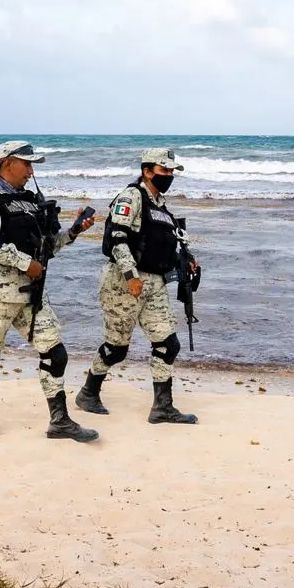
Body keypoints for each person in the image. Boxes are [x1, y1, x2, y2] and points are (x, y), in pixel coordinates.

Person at [0, 140, 99, 442]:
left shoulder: (31, 201)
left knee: (55, 352)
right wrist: (26, 263)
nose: (31, 171)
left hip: (31, 295)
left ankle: (59, 421)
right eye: (27, 164)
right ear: (7, 163)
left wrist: (74, 230)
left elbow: (47, 249)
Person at [75, 148, 198, 424]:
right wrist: (131, 276)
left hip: (154, 284)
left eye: (171, 171)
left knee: (168, 343)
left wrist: (185, 260)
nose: (168, 176)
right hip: (123, 282)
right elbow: (117, 238)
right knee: (117, 348)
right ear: (147, 171)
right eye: (163, 170)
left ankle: (162, 408)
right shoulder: (131, 197)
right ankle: (88, 393)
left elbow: (159, 246)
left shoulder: (161, 207)